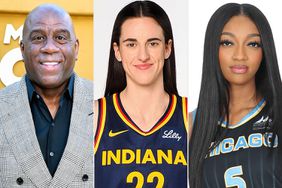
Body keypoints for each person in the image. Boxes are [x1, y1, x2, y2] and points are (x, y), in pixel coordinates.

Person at [94, 1, 188, 187]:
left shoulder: (190, 117)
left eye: (152, 43)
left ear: (167, 48)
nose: (143, 55)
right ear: (117, 51)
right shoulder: (95, 116)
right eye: (131, 44)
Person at [189, 3, 282, 188]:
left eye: (253, 44)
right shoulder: (192, 123)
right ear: (213, 49)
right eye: (227, 43)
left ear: (265, 51)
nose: (240, 55)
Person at [0, 4, 93, 187]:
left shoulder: (107, 106)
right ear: (22, 48)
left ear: (76, 48)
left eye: (60, 37)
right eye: (38, 37)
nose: (49, 48)